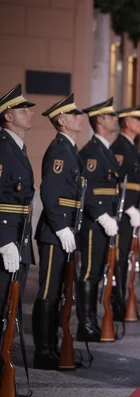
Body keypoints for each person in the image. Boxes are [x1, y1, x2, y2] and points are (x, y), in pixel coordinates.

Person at [33, 93, 84, 366]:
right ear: (62, 120)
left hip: (64, 231)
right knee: (48, 292)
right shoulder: (59, 150)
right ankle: (43, 350)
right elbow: (50, 192)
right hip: (54, 233)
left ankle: (52, 344)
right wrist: (62, 228)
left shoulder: (70, 148)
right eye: (75, 115)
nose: (81, 118)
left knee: (59, 292)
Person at [78, 98, 120, 342]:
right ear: (100, 120)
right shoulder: (92, 152)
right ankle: (87, 324)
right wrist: (102, 215)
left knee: (97, 273)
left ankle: (92, 321)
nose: (116, 119)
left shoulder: (104, 150)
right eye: (111, 115)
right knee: (90, 273)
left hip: (105, 220)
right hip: (94, 222)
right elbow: (87, 189)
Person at [0, 84, 36, 367]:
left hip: (20, 238)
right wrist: (3, 240)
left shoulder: (19, 148)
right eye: (22, 109)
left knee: (10, 310)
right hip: (7, 240)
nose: (28, 113)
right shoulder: (2, 147)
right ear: (7, 116)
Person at [110, 105, 140, 319]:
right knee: (120, 259)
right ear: (127, 123)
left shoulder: (131, 146)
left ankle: (122, 302)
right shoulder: (121, 148)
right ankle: (117, 304)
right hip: (122, 213)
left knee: (126, 259)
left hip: (130, 212)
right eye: (138, 119)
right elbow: (117, 183)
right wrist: (129, 208)